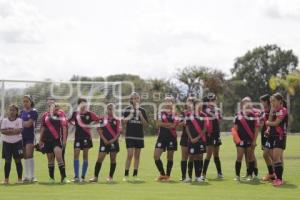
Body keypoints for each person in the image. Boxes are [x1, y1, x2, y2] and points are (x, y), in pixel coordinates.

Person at [68, 98, 99, 182]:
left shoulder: (90, 114)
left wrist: (92, 125)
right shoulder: (75, 114)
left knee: (85, 156)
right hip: (77, 137)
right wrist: (75, 124)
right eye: (81, 104)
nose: (83, 105)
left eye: (85, 104)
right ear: (78, 105)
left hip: (86, 137)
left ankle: (82, 177)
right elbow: (69, 121)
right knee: (76, 155)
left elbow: (98, 120)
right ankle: (76, 177)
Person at [39, 98, 69, 183]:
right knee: (50, 159)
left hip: (56, 139)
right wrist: (40, 140)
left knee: (59, 157)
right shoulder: (45, 115)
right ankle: (51, 178)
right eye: (49, 102)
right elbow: (43, 128)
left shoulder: (60, 113)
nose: (50, 104)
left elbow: (64, 126)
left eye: (52, 102)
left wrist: (64, 140)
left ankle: (64, 178)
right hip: (47, 140)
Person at [89, 103, 121, 183]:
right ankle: (95, 177)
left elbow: (119, 132)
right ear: (106, 109)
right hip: (104, 142)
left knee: (113, 159)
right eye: (109, 109)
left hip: (113, 142)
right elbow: (99, 130)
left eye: (112, 109)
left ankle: (110, 177)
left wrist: (113, 140)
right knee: (100, 159)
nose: (110, 110)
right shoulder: (102, 119)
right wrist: (104, 140)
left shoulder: (117, 119)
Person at [122, 92, 148, 181]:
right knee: (130, 155)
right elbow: (123, 122)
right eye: (134, 98)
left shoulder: (143, 110)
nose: (136, 100)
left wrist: (140, 115)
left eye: (137, 98)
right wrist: (131, 115)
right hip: (129, 136)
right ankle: (126, 175)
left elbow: (146, 125)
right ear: (131, 100)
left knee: (137, 156)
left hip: (139, 136)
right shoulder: (127, 109)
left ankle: (135, 175)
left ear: (139, 99)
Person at [232, 97, 259, 181]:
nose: (247, 105)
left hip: (249, 140)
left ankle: (250, 175)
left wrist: (254, 140)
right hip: (240, 140)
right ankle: (237, 176)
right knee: (239, 157)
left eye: (248, 103)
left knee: (250, 157)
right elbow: (235, 128)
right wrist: (235, 139)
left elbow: (256, 129)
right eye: (245, 103)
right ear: (242, 104)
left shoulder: (254, 115)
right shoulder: (238, 115)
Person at [154, 97, 180, 181]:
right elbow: (157, 124)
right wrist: (168, 124)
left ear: (172, 103)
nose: (167, 103)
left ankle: (167, 176)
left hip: (172, 137)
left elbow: (174, 125)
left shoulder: (175, 114)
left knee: (170, 157)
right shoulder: (160, 113)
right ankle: (162, 174)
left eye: (169, 101)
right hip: (161, 137)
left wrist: (164, 124)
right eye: (166, 101)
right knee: (156, 156)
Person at [265, 93, 288, 187]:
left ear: (280, 101)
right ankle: (276, 176)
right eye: (271, 101)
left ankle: (279, 179)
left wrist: (267, 123)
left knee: (276, 158)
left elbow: (275, 123)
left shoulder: (283, 110)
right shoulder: (273, 109)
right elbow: (270, 123)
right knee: (272, 157)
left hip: (280, 136)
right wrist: (268, 129)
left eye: (274, 101)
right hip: (271, 136)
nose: (272, 103)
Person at [201, 93, 223, 180]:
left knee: (216, 155)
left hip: (216, 134)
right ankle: (203, 174)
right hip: (209, 134)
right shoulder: (204, 110)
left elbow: (219, 121)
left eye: (214, 100)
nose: (214, 101)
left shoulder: (217, 110)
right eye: (212, 100)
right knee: (208, 155)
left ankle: (220, 173)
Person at [185, 99, 208, 183]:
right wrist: (191, 138)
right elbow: (187, 127)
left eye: (201, 104)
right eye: (198, 104)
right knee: (192, 157)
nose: (200, 105)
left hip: (201, 140)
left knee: (199, 157)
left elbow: (205, 128)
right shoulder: (189, 115)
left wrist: (197, 138)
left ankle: (198, 176)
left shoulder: (204, 115)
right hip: (191, 139)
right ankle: (189, 177)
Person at [1, 104, 23, 184]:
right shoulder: (4, 120)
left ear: (17, 112)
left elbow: (19, 131)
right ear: (8, 111)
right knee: (7, 161)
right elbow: (2, 131)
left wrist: (9, 131)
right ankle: (6, 180)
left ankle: (20, 179)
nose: (11, 112)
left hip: (17, 143)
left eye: (13, 110)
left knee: (18, 160)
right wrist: (13, 131)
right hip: (7, 144)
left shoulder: (19, 120)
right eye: (10, 110)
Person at [20, 95, 38, 182]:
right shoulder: (21, 112)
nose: (25, 103)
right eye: (24, 101)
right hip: (22, 136)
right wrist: (23, 123)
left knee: (30, 155)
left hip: (30, 136)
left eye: (27, 101)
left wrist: (21, 122)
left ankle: (33, 176)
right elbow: (22, 124)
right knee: (25, 156)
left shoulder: (34, 112)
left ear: (31, 102)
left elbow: (29, 124)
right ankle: (27, 176)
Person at [259, 94, 275, 181]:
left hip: (271, 134)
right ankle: (271, 174)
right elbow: (261, 122)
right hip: (264, 134)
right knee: (266, 155)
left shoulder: (273, 110)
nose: (261, 103)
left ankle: (277, 175)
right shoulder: (263, 111)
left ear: (266, 101)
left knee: (269, 154)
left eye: (262, 101)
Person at [180, 97, 196, 182]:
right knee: (184, 157)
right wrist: (185, 121)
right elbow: (179, 123)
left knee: (192, 157)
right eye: (188, 102)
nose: (190, 103)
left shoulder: (197, 113)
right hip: (185, 137)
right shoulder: (183, 113)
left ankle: (189, 176)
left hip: (194, 137)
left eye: (191, 102)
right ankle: (183, 177)